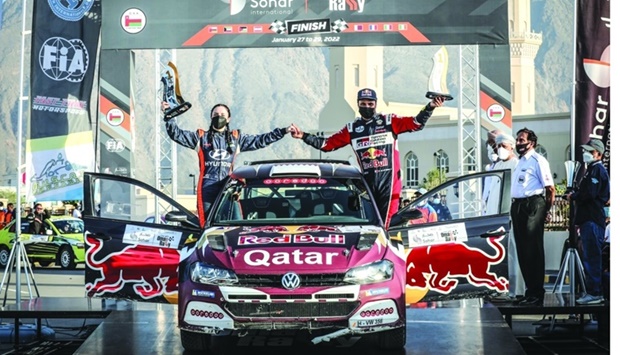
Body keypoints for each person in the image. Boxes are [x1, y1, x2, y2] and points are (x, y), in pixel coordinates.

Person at [290, 88, 444, 227]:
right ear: (358, 104)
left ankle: (388, 246)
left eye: (370, 104)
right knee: (371, 223)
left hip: (389, 182)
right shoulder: (352, 129)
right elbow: (327, 145)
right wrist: (303, 135)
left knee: (385, 223)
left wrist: (430, 106)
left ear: (375, 104)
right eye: (363, 103)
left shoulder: (389, 121)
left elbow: (416, 123)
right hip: (367, 183)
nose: (367, 107)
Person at [163, 102, 295, 225]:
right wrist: (169, 115)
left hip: (228, 188)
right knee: (207, 225)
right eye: (215, 115)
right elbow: (176, 134)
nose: (218, 117)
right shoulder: (200, 137)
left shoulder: (236, 138)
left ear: (229, 118)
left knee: (235, 223)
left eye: (222, 115)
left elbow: (260, 140)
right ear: (210, 117)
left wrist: (282, 132)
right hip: (207, 188)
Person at [510, 128, 555, 306]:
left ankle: (537, 293)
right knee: (522, 249)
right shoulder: (520, 162)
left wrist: (546, 211)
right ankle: (530, 291)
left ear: (531, 143)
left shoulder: (538, 160)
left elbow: (550, 188)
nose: (518, 143)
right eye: (517, 140)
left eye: (522, 140)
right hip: (518, 205)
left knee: (532, 249)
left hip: (532, 204)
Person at [566, 138, 610, 304]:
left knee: (592, 257)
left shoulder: (597, 170)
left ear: (597, 154)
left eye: (589, 151)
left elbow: (590, 193)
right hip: (588, 219)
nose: (585, 154)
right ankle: (592, 292)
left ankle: (595, 293)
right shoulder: (591, 170)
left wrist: (575, 195)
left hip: (592, 220)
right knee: (590, 256)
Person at [484, 133, 524, 301]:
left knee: (513, 252)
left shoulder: (517, 164)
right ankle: (499, 288)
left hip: (509, 217)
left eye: (504, 146)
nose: (500, 149)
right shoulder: (496, 165)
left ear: (511, 147)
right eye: (498, 146)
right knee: (496, 253)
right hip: (494, 217)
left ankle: (517, 291)